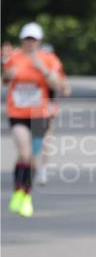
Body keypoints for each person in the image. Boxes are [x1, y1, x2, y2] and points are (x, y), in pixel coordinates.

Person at [3, 23, 65, 217]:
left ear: (39, 41)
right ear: (22, 40)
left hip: (40, 115)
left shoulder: (49, 59)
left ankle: (26, 196)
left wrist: (43, 70)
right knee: (24, 153)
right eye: (27, 38)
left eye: (34, 39)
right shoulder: (13, 58)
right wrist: (7, 75)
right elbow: (4, 80)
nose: (30, 42)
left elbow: (59, 85)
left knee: (33, 157)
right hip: (18, 113)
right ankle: (17, 193)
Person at [35, 43, 70, 185]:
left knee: (45, 139)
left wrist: (63, 88)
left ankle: (42, 169)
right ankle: (34, 165)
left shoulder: (56, 69)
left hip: (49, 106)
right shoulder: (33, 69)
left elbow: (65, 88)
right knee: (35, 139)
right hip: (32, 108)